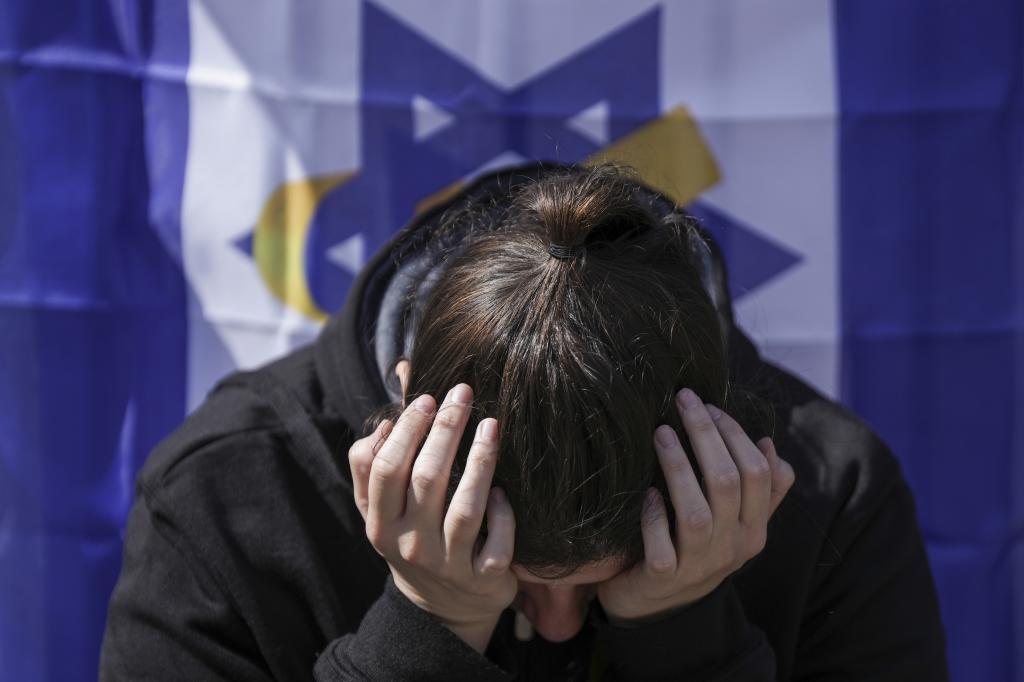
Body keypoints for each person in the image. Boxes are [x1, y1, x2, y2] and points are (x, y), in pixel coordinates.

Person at [100, 163, 949, 680]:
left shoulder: (832, 491)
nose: (560, 624)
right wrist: (428, 625)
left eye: (597, 579)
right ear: (403, 415)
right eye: (511, 566)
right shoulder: (223, 498)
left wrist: (685, 632)